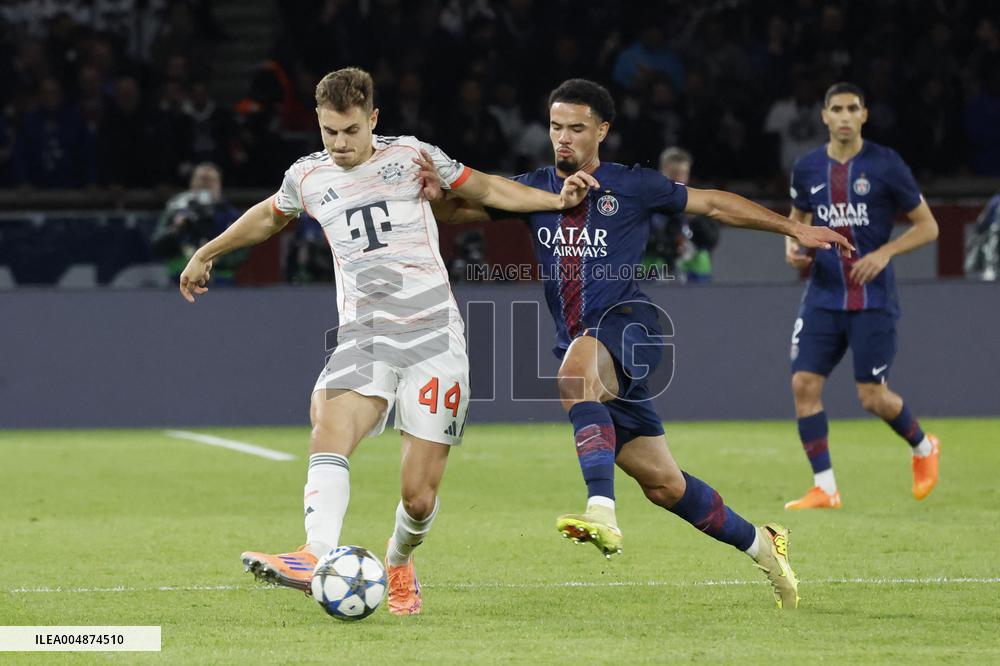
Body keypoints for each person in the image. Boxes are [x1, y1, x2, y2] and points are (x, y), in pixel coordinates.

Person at [177, 67, 597, 616]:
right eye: (330, 131)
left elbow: (489, 189)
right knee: (329, 422)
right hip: (365, 335)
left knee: (418, 497)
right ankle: (314, 552)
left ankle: (399, 559)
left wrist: (557, 202)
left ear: (373, 119)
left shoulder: (413, 156)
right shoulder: (307, 176)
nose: (340, 143)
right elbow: (268, 216)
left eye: (351, 130)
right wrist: (207, 252)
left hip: (433, 336)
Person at [422, 78, 853, 609]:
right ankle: (763, 545)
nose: (563, 138)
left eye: (576, 128)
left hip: (630, 325)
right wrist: (428, 193)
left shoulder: (632, 185)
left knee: (574, 376)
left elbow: (713, 205)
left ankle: (601, 511)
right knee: (664, 485)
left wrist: (793, 228)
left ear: (602, 131)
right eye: (555, 127)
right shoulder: (534, 190)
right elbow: (453, 211)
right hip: (583, 345)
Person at [783, 82, 941, 510]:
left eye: (853, 108)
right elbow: (796, 221)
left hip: (872, 299)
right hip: (823, 295)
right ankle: (825, 487)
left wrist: (886, 252)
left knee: (871, 396)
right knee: (803, 383)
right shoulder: (807, 167)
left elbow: (928, 226)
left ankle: (924, 446)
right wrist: (792, 247)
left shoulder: (886, 164)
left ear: (864, 115)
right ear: (824, 116)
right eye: (837, 109)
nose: (845, 116)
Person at [151, 163, 244, 283]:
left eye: (211, 180)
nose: (206, 184)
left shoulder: (230, 215)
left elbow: (242, 252)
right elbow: (156, 246)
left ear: (219, 184)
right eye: (201, 179)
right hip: (180, 277)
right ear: (192, 183)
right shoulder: (176, 209)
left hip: (220, 280)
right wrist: (175, 229)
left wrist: (218, 259)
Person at [644, 147, 720, 282]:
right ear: (662, 172)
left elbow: (712, 239)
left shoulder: (700, 203)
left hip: (695, 275)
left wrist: (695, 219)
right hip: (653, 275)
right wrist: (664, 245)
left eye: (683, 174)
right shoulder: (646, 203)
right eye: (674, 173)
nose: (679, 178)